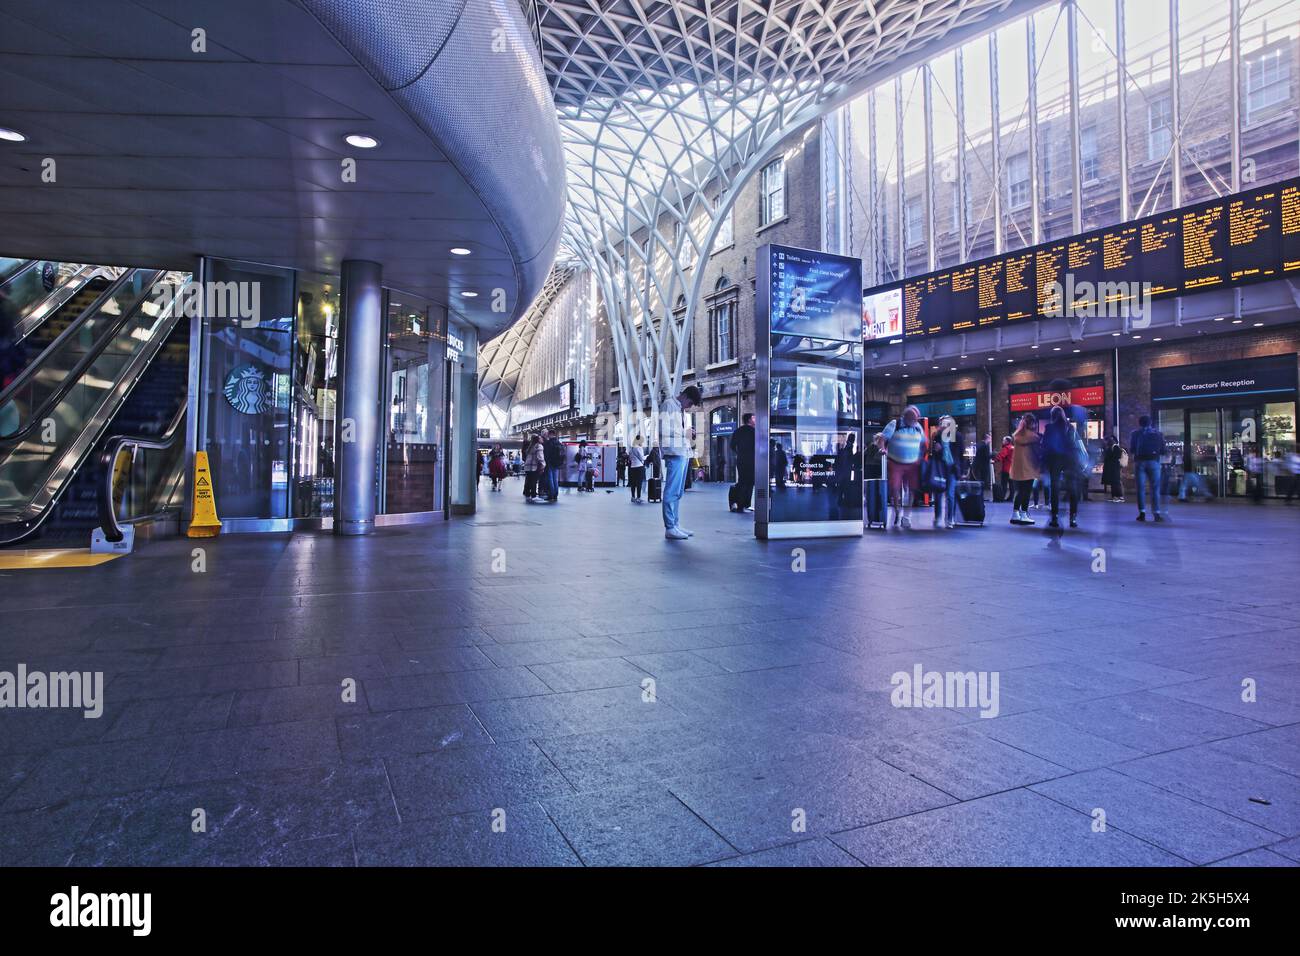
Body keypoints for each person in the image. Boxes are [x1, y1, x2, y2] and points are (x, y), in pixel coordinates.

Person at [659, 385, 701, 539]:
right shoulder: (668, 405)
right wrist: (686, 432)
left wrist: (687, 434)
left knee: (678, 492)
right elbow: (664, 430)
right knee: (672, 491)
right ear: (685, 397)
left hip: (682, 452)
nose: (689, 407)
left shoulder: (679, 409)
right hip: (674, 452)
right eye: (690, 404)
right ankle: (670, 527)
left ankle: (675, 524)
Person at [876, 405, 927, 530]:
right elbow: (882, 438)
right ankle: (897, 511)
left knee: (912, 489)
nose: (915, 422)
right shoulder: (895, 424)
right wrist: (882, 449)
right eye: (913, 419)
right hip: (895, 462)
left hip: (912, 464)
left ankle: (906, 516)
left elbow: (924, 443)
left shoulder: (917, 426)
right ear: (906, 417)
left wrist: (921, 457)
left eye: (916, 420)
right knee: (895, 488)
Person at [1041, 405, 1082, 529]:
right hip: (1070, 460)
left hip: (1055, 460)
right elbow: (1074, 445)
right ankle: (1073, 518)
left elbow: (1045, 446)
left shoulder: (1049, 428)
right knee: (1072, 489)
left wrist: (1044, 463)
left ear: (1052, 416)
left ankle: (1055, 517)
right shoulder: (1070, 428)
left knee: (1055, 488)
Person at [1129, 414, 1166, 522]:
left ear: (1139, 423)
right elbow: (1163, 450)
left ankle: (1142, 513)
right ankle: (1157, 514)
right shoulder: (1158, 434)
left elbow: (1132, 449)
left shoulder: (1135, 434)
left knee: (1140, 489)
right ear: (1150, 423)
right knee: (1155, 489)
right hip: (1154, 462)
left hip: (1140, 462)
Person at [928, 416, 961, 529]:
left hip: (952, 468)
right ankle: (937, 517)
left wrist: (962, 470)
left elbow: (960, 454)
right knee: (938, 494)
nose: (944, 426)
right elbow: (932, 452)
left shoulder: (957, 436)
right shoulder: (937, 436)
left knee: (951, 495)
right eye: (942, 424)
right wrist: (936, 449)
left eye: (946, 424)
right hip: (940, 468)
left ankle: (950, 519)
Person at [1010, 413, 1041, 525]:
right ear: (1032, 423)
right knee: (1027, 492)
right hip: (1029, 467)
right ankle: (1024, 514)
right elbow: (1037, 453)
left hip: (1018, 468)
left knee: (1020, 491)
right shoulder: (1033, 437)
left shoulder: (1017, 435)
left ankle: (1015, 513)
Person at [729, 412, 756, 512]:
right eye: (754, 418)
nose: (755, 420)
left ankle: (740, 505)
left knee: (742, 481)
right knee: (750, 482)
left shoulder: (738, 431)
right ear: (749, 420)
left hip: (741, 460)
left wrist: (739, 453)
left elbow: (732, 445)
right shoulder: (754, 431)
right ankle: (745, 504)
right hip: (753, 460)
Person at [833, 432, 859, 520]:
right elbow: (848, 458)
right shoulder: (849, 447)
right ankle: (844, 500)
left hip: (843, 470)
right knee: (845, 485)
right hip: (845, 470)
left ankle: (842, 500)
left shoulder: (847, 447)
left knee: (843, 485)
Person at [542, 428, 565, 502]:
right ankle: (555, 495)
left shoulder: (549, 443)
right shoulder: (558, 442)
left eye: (548, 434)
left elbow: (546, 454)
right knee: (555, 479)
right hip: (557, 463)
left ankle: (551, 495)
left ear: (550, 434)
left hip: (550, 463)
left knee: (550, 479)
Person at [1102, 434, 1125, 502]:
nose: (1104, 442)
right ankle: (1114, 496)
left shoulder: (1115, 447)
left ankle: (1119, 496)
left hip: (1114, 468)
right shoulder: (1111, 447)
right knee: (1113, 482)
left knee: (1116, 482)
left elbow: (1116, 456)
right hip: (1113, 468)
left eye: (1105, 440)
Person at [970, 432, 993, 499]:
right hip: (983, 467)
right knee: (983, 482)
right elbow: (986, 456)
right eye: (990, 439)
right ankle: (980, 496)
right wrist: (993, 454)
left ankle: (977, 496)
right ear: (987, 438)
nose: (990, 440)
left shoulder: (978, 444)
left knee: (978, 481)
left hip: (977, 466)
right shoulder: (985, 446)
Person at [627, 435, 646, 502]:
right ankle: (638, 497)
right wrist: (647, 456)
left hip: (632, 467)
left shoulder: (631, 449)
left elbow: (630, 458)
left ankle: (632, 497)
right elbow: (642, 458)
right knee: (639, 483)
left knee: (633, 483)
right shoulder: (639, 448)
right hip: (639, 467)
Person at [995, 436, 1014, 502]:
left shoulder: (1006, 448)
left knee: (1004, 484)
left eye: (1003, 440)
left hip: (1006, 469)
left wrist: (994, 460)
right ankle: (1011, 498)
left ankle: (1002, 497)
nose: (1002, 441)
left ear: (1007, 441)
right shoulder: (1013, 447)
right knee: (1011, 484)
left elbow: (1001, 455)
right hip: (1013, 469)